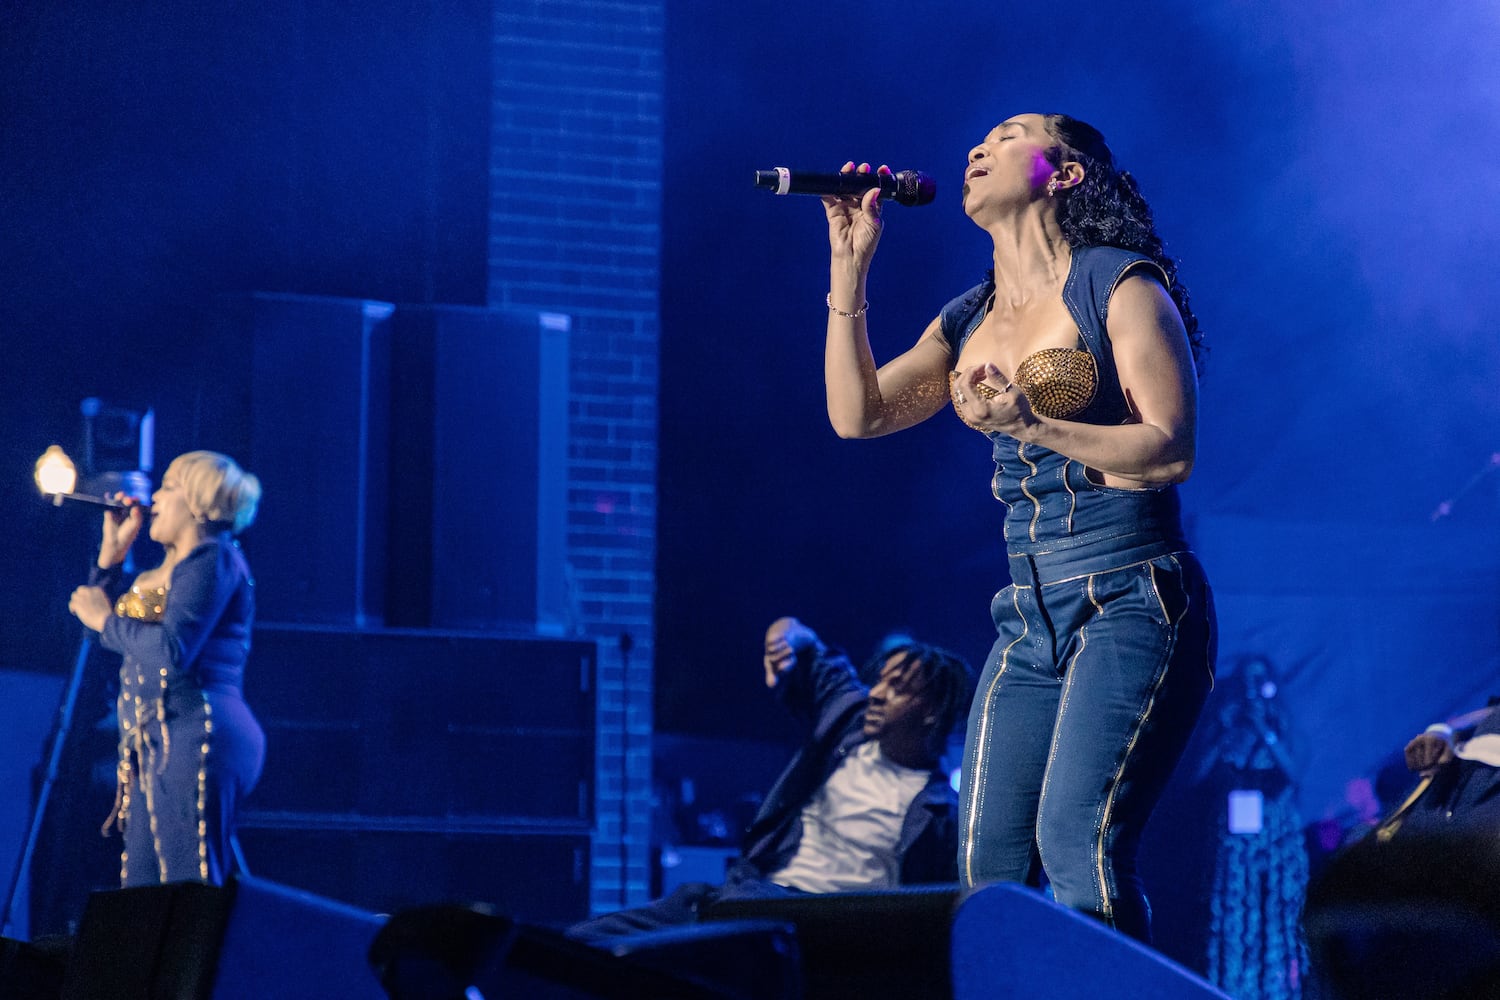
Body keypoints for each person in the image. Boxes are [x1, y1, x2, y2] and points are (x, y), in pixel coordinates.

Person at [816, 113, 1217, 942]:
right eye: (980, 138)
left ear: (1065, 175)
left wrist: (1031, 422)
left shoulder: (1119, 285)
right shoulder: (969, 317)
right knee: (988, 868)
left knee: (1080, 843)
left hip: (1132, 595)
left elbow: (1168, 449)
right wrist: (849, 271)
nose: (979, 147)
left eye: (1011, 134)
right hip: (1028, 615)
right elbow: (858, 417)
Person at [568, 616, 974, 941]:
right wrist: (782, 642)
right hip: (748, 894)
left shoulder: (942, 814)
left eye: (897, 688)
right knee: (585, 942)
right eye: (880, 680)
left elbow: (946, 915)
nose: (877, 693)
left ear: (931, 713)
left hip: (827, 926)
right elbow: (802, 638)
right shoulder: (846, 719)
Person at [66, 450, 265, 887]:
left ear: (197, 502)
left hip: (198, 730)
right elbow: (99, 635)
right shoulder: (158, 576)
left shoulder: (215, 559)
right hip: (156, 744)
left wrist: (104, 619)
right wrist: (110, 559)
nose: (154, 497)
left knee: (187, 883)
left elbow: (174, 650)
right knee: (141, 889)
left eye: (168, 487)